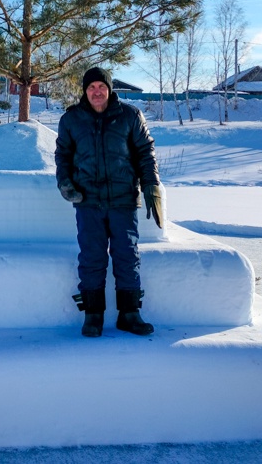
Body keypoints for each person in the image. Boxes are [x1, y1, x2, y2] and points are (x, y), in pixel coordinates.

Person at [55, 66, 164, 338]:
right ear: (85, 90)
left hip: (123, 200)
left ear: (109, 89)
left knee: (127, 256)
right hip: (88, 201)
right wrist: (65, 182)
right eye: (91, 87)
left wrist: (151, 184)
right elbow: (63, 155)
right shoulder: (71, 119)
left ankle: (130, 314)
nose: (96, 91)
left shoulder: (130, 115)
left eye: (101, 87)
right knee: (91, 257)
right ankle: (93, 316)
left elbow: (145, 152)